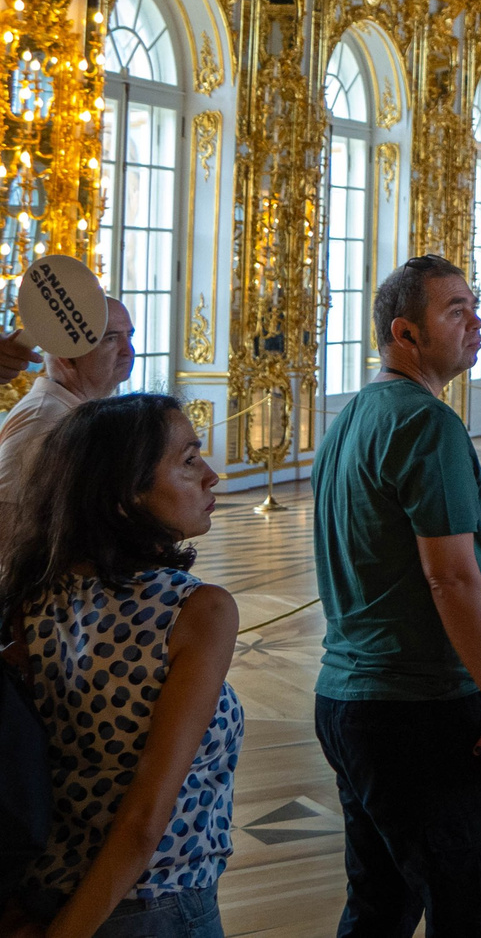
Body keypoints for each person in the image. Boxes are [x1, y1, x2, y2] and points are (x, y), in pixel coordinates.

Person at [311, 256, 481, 938]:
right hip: (419, 710)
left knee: (379, 907)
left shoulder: (352, 417)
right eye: (456, 309)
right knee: (468, 912)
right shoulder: (427, 424)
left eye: (475, 303)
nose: (477, 320)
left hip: (349, 701)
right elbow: (452, 577)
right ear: (405, 332)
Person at [3, 394, 240, 938]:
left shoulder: (27, 598)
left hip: (38, 896)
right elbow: (142, 824)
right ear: (126, 497)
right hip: (149, 904)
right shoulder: (197, 612)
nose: (211, 475)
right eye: (187, 461)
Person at [0, 296, 135, 546]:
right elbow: (6, 520)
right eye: (111, 339)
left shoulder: (77, 414)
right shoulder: (46, 419)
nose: (128, 351)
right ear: (65, 354)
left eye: (130, 336)